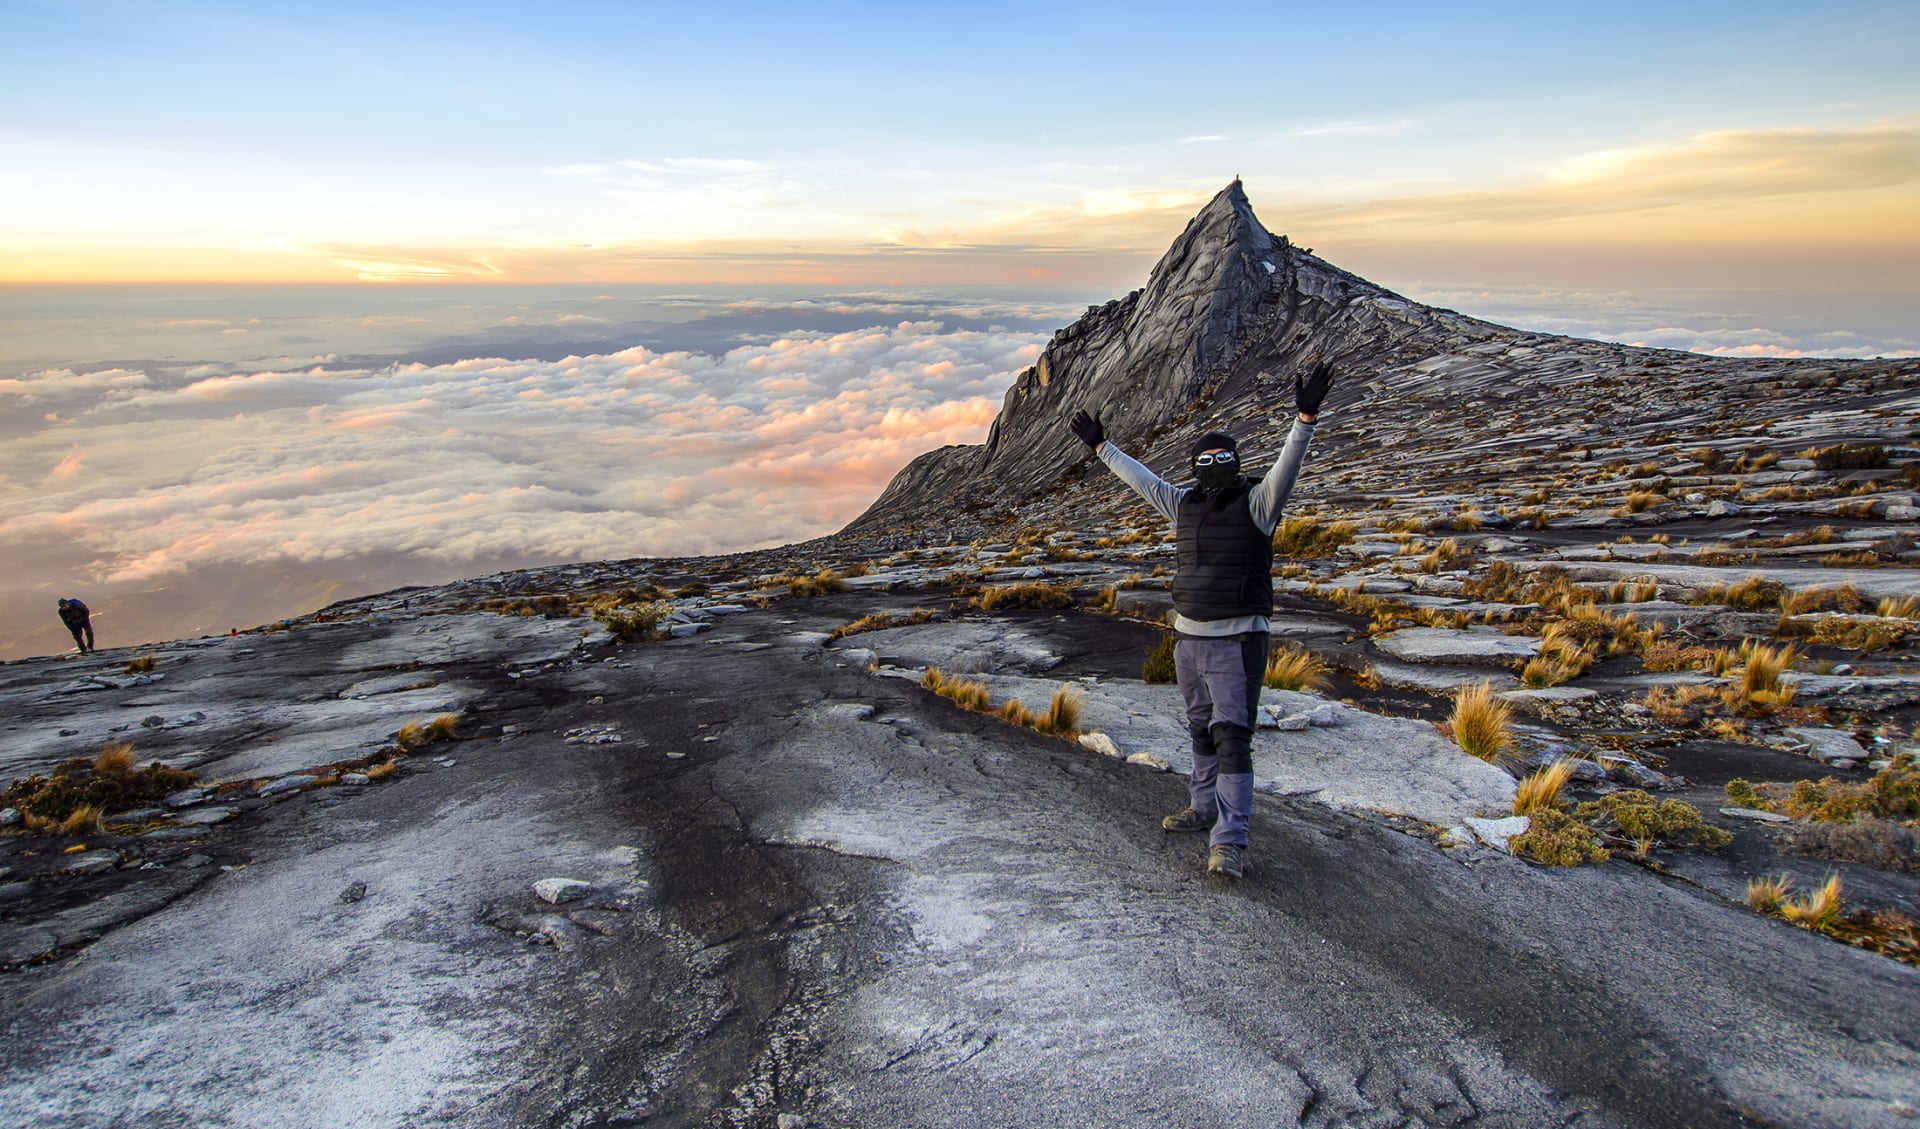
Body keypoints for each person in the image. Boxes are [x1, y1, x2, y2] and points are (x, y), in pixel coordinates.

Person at [1068, 362, 1335, 880]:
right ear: (1193, 468)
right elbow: (1141, 479)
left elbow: (1288, 467)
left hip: (1238, 642)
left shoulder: (1258, 504)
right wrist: (1102, 448)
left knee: (1233, 737)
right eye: (1204, 460)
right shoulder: (1182, 503)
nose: (1213, 466)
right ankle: (1203, 807)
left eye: (1222, 458)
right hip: (1187, 639)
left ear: (1236, 463)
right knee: (1200, 732)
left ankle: (1229, 841)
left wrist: (1305, 417)